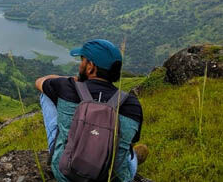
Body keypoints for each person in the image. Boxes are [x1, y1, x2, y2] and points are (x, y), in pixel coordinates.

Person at [35, 39, 148, 182]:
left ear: (90, 67)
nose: (80, 64)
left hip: (66, 175)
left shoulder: (67, 86)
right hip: (114, 179)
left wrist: (74, 80)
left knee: (46, 95)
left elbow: (39, 81)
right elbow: (129, 142)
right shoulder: (132, 104)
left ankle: (59, 151)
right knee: (129, 155)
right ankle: (134, 159)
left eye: (82, 60)